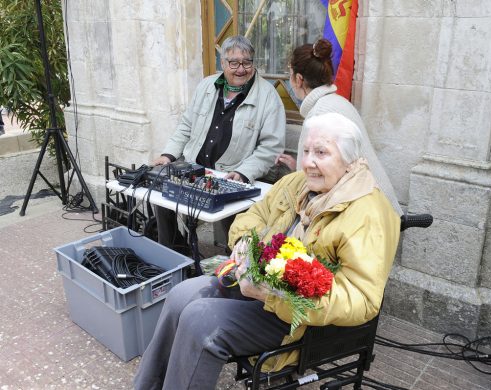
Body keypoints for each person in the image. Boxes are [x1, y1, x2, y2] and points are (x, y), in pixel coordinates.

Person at [134, 112, 401, 389]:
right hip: (257, 285)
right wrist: (244, 242)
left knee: (200, 321)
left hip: (301, 320)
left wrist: (275, 295)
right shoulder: (295, 183)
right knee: (181, 295)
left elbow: (362, 300)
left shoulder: (367, 212)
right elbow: (253, 217)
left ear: (348, 161)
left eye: (321, 153)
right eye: (306, 151)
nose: (308, 162)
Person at [152, 35, 286, 251]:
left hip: (234, 174)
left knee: (235, 228)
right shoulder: (207, 85)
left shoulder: (268, 97)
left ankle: (231, 266)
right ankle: (175, 255)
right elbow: (186, 126)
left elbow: (271, 147)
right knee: (161, 195)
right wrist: (168, 155)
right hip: (196, 169)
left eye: (247, 62)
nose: (241, 69)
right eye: (234, 63)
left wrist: (243, 172)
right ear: (222, 63)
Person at [276, 38, 402, 215]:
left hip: (366, 219)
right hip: (382, 210)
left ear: (298, 79)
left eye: (289, 75)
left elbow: (312, 187)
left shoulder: (318, 116)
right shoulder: (340, 102)